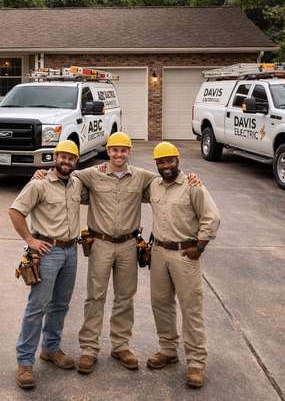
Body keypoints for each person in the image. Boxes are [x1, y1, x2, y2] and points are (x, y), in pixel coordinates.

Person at [33, 132, 200, 374]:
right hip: (100, 243)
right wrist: (42, 173)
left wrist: (192, 177)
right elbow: (64, 174)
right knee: (95, 296)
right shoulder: (92, 174)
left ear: (129, 152)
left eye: (123, 150)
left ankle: (120, 346)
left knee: (125, 297)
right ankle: (89, 349)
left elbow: (170, 179)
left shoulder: (143, 177)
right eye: (114, 150)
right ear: (108, 152)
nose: (118, 154)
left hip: (128, 246)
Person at [9, 140, 86, 390]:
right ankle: (25, 362)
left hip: (71, 250)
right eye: (62, 157)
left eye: (71, 158)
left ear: (76, 161)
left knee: (60, 305)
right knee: (37, 306)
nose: (66, 161)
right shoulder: (39, 183)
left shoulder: (77, 184)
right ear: (55, 157)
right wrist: (30, 240)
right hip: (48, 251)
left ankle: (51, 349)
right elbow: (15, 211)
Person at [145, 141, 220, 389]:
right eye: (161, 162)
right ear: (156, 164)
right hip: (158, 252)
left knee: (191, 308)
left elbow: (212, 217)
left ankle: (196, 363)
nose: (166, 166)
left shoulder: (193, 186)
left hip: (185, 255)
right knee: (160, 304)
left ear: (178, 160)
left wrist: (199, 247)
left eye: (170, 161)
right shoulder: (153, 185)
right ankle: (168, 350)